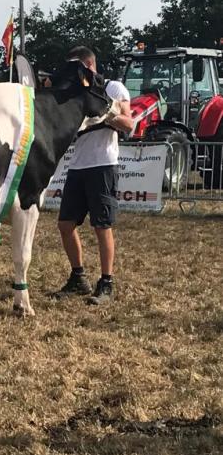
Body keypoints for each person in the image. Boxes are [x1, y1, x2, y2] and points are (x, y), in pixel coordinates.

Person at [55, 46, 134, 305]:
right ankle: (78, 278)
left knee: (102, 226)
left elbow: (128, 123)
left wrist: (103, 110)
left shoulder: (113, 88)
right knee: (65, 225)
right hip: (78, 165)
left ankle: (106, 283)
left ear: (88, 66)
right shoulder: (75, 94)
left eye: (75, 67)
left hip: (103, 164)